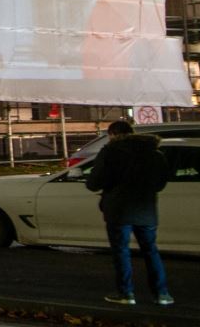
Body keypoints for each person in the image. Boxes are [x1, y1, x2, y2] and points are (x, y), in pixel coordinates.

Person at [85, 119, 172, 306]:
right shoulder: (154, 153)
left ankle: (126, 293)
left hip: (118, 209)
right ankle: (162, 293)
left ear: (113, 134)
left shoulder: (110, 152)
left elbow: (94, 182)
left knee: (121, 251)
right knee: (150, 250)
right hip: (145, 208)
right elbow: (161, 182)